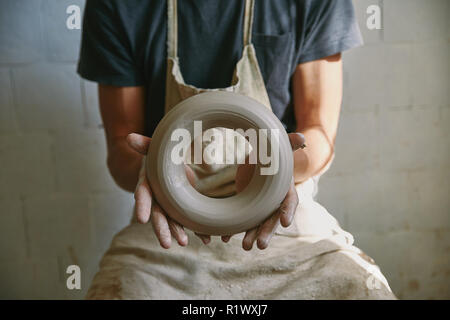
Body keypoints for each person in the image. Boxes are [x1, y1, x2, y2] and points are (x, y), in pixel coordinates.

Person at [78, 0, 396, 299]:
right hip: (170, 223)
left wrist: (278, 167)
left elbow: (320, 135)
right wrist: (153, 170)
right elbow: (122, 147)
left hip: (280, 215)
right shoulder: (117, 5)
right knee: (118, 290)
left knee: (360, 287)